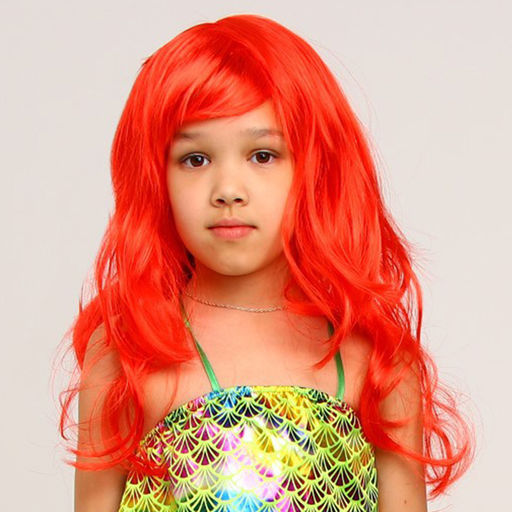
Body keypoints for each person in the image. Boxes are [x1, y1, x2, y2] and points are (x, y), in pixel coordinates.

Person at [56, 13, 474, 512]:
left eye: (262, 155)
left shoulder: (376, 359)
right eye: (195, 159)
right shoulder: (129, 351)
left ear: (316, 167)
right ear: (155, 178)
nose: (228, 190)